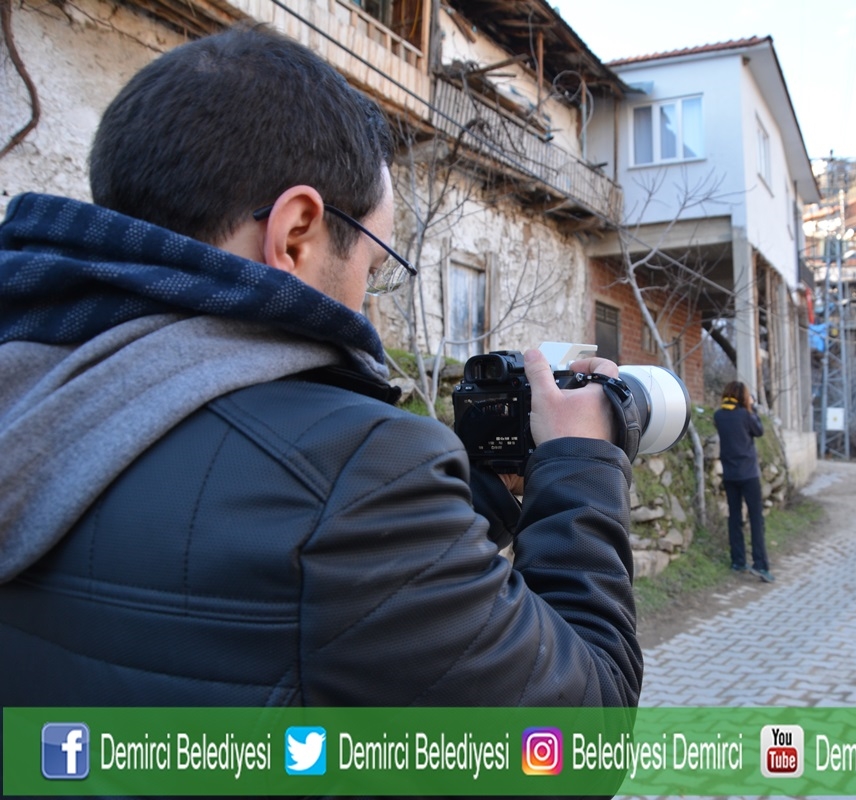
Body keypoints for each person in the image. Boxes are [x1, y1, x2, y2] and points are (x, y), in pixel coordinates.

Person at [0, 25, 640, 710]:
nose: (367, 293)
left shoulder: (36, 387)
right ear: (296, 232)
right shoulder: (359, 467)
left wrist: (486, 490)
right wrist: (580, 462)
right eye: (374, 262)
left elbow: (345, 585)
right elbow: (583, 726)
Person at [712, 380, 773, 583]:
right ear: (743, 396)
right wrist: (752, 407)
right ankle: (760, 564)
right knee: (756, 519)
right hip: (749, 475)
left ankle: (738, 560)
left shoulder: (719, 416)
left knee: (734, 517)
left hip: (730, 474)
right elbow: (759, 430)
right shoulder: (746, 415)